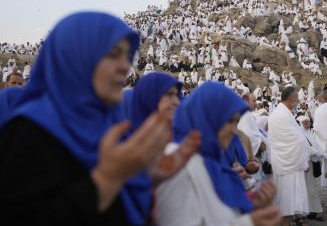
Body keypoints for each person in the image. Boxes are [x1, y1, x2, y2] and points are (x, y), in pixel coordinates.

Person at [0, 12, 199, 225]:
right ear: (77, 57)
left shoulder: (109, 123)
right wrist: (107, 179)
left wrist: (145, 177)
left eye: (127, 56)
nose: (125, 66)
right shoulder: (29, 131)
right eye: (113, 54)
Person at [155, 82, 280, 226]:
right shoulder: (177, 163)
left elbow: (216, 214)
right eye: (229, 122)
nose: (234, 131)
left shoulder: (211, 159)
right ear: (207, 118)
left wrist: (252, 204)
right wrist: (249, 223)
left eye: (236, 122)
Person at [268, 86, 310, 226]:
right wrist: (304, 156)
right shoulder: (281, 114)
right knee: (285, 204)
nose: (298, 101)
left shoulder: (284, 113)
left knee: (287, 205)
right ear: (291, 99)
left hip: (287, 162)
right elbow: (297, 140)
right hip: (287, 163)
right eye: (297, 99)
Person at [298, 115, 327, 222]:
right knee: (309, 189)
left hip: (313, 164)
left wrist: (322, 153)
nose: (307, 124)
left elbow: (317, 145)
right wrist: (320, 154)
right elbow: (307, 148)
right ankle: (309, 211)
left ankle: (313, 211)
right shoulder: (300, 134)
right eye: (305, 123)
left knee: (313, 188)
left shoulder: (311, 133)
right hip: (306, 166)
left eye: (308, 122)